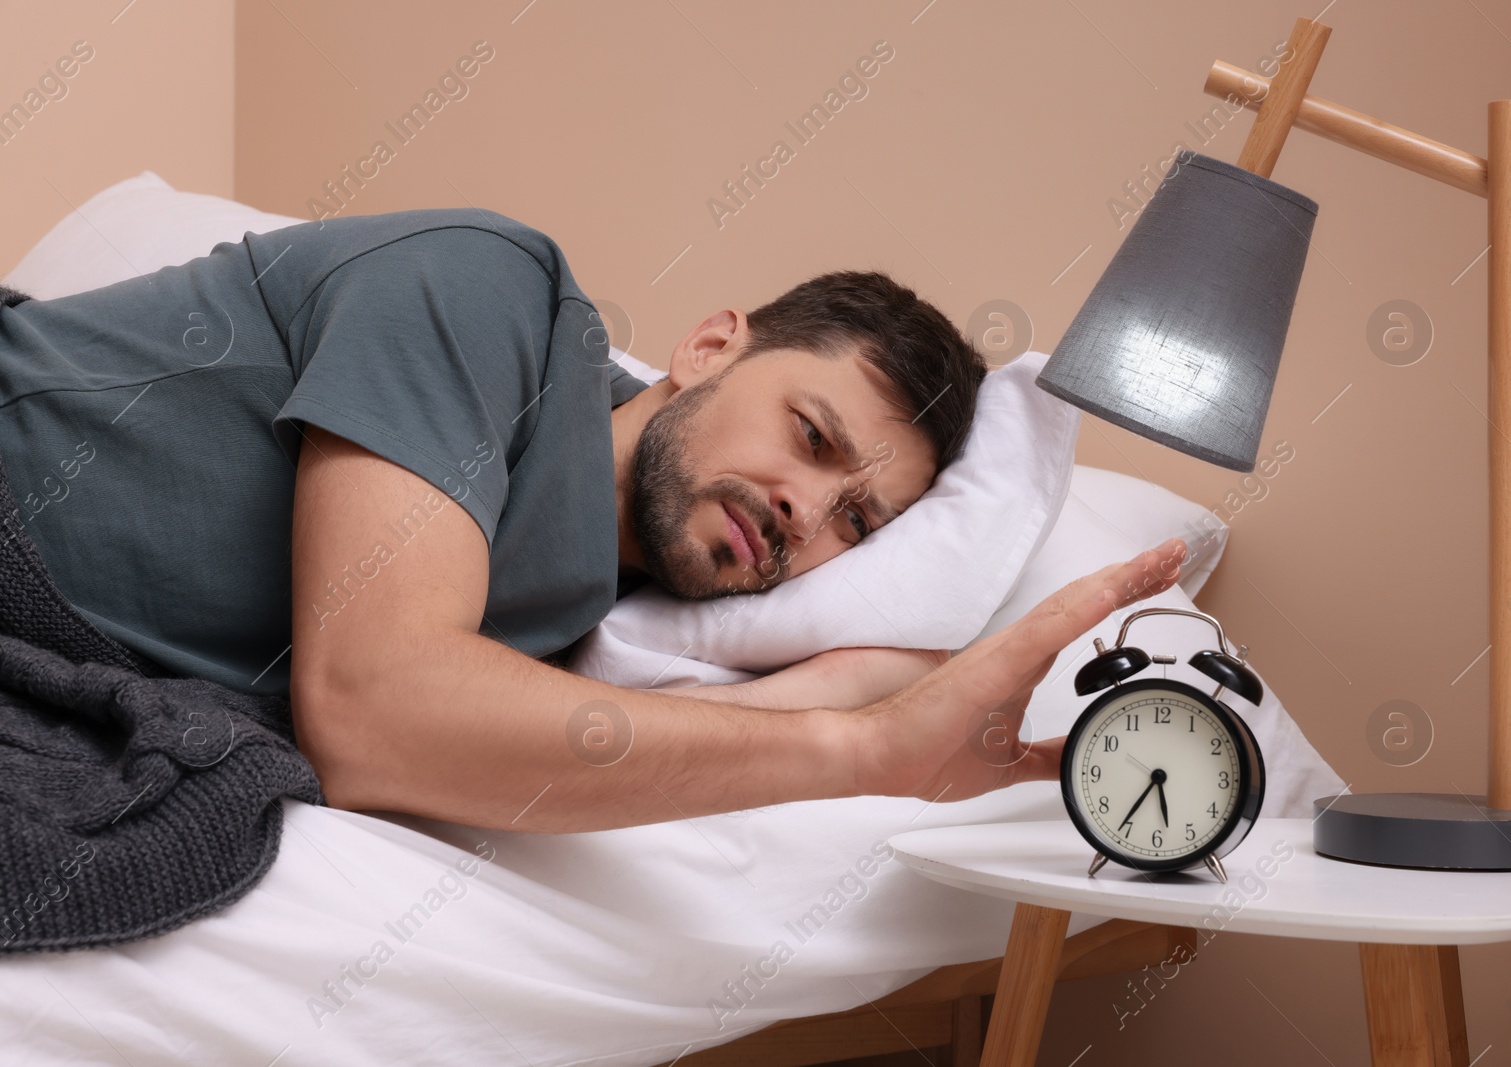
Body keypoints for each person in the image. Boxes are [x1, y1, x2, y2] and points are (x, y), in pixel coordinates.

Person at [0, 207, 1186, 834]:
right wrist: (864, 752)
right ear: (711, 344)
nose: (804, 512)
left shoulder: (601, 611)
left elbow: (568, 727)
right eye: (812, 437)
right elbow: (375, 709)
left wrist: (866, 688)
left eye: (855, 526)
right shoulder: (489, 289)